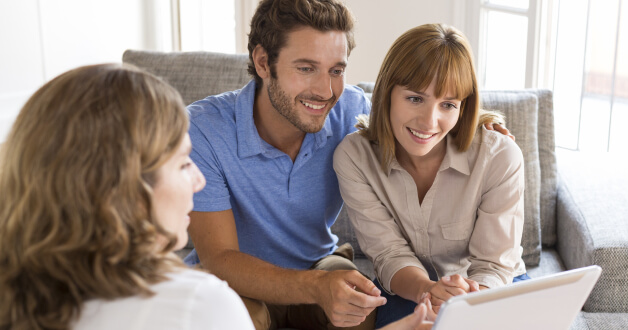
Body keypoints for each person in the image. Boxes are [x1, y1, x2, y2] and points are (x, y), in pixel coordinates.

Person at [184, 0, 512, 329]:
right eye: (306, 68)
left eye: (336, 70)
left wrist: (476, 123)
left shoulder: (347, 108)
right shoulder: (204, 130)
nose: (326, 91)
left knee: (360, 299)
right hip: (235, 283)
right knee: (232, 318)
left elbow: (409, 120)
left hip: (318, 264)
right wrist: (314, 288)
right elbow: (220, 259)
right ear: (263, 62)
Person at [0, 64, 254, 330]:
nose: (199, 181)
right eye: (182, 164)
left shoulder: (16, 295)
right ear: (125, 188)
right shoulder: (200, 305)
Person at [333, 23, 530, 328]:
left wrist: (466, 303)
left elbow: (494, 265)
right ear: (387, 93)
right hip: (409, 290)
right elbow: (388, 253)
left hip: (490, 289)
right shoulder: (354, 157)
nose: (429, 121)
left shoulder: (499, 156)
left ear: (462, 108)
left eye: (447, 104)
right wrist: (429, 291)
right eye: (415, 98)